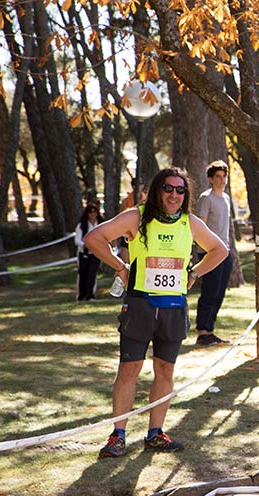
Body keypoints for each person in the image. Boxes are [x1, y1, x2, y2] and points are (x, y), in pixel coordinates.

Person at [84, 167, 228, 458]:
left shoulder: (190, 222)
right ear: (157, 191)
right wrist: (121, 267)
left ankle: (155, 433)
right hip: (140, 305)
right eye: (168, 189)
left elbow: (220, 250)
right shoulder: (136, 217)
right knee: (129, 370)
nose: (174, 195)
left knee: (165, 370)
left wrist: (194, 273)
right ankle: (118, 435)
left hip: (173, 308)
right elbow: (94, 238)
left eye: (180, 190)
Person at [193, 160, 234, 346]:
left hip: (225, 251)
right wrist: (208, 248)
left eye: (224, 176)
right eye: (218, 176)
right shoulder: (206, 198)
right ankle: (202, 332)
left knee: (219, 292)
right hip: (209, 251)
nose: (222, 180)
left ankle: (210, 330)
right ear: (210, 178)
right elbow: (200, 226)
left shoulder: (226, 198)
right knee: (209, 291)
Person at [75, 203, 103, 301]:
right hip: (84, 253)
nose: (92, 214)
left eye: (94, 212)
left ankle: (90, 295)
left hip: (96, 253)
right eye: (90, 212)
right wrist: (86, 245)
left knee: (92, 273)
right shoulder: (82, 225)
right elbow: (77, 240)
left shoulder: (101, 224)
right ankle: (81, 295)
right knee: (83, 274)